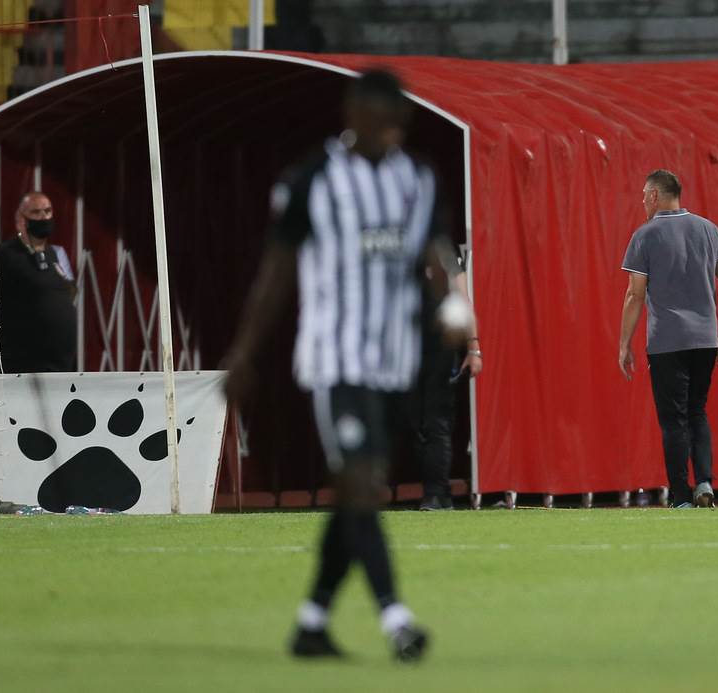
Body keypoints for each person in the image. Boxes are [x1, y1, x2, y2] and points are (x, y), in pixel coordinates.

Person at [224, 69, 473, 662]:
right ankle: (396, 619)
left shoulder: (417, 179)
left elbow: (437, 251)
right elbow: (276, 271)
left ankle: (312, 624)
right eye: (381, 120)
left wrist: (453, 303)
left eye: (400, 123)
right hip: (334, 356)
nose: (392, 132)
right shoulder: (313, 179)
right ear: (354, 112)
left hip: (393, 358)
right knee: (362, 482)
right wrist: (244, 351)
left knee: (356, 493)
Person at [618, 169, 718, 509]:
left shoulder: (644, 236)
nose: (642, 201)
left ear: (656, 195)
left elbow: (634, 295)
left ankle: (681, 495)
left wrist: (624, 343)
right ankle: (705, 481)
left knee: (673, 420)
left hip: (667, 342)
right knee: (697, 411)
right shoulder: (709, 230)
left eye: (644, 195)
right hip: (705, 339)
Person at [414, 254, 481, 511]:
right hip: (404, 348)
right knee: (411, 420)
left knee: (436, 421)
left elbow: (464, 300)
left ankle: (437, 493)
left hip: (440, 347)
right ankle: (434, 490)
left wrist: (473, 347)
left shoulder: (442, 248)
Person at [0, 192, 77, 373]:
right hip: (22, 366)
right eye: (36, 212)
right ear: (21, 219)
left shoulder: (55, 253)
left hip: (60, 364)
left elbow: (70, 293)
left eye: (47, 211)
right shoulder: (5, 256)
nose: (44, 217)